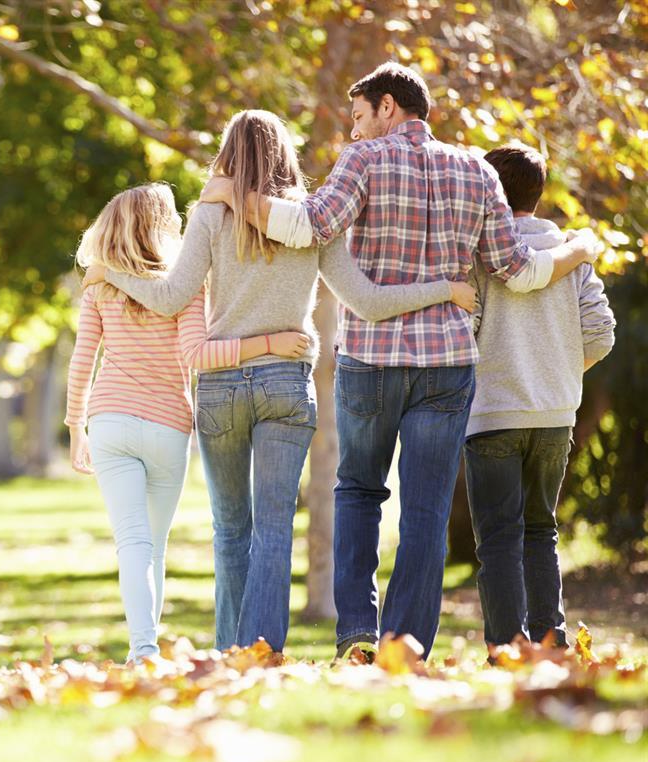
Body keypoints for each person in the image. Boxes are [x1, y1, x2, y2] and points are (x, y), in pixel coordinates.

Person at [199, 63, 602, 659]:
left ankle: (356, 635)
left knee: (359, 492)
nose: (357, 131)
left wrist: (237, 193)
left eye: (361, 116)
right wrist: (578, 248)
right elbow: (517, 271)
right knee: (427, 509)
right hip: (446, 365)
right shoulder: (476, 170)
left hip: (370, 358)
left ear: (389, 107)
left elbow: (306, 225)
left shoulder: (362, 162)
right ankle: (404, 645)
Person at [82, 111, 477, 653]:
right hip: (285, 386)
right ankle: (260, 653)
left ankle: (229, 655)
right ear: (286, 156)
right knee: (272, 531)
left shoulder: (211, 215)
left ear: (229, 156)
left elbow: (171, 298)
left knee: (230, 530)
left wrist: (111, 273)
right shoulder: (313, 223)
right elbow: (366, 302)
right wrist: (444, 289)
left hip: (220, 387)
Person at [65, 182, 311, 663]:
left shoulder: (98, 286)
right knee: (152, 545)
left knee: (133, 543)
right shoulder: (187, 287)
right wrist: (269, 343)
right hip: (167, 428)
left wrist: (77, 425)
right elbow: (199, 356)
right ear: (159, 230)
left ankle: (143, 651)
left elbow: (82, 360)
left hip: (110, 422)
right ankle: (143, 649)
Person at [464, 142, 615, 649]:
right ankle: (551, 640)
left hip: (492, 414)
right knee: (539, 531)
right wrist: (558, 374)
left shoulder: (479, 253)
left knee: (499, 538)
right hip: (554, 415)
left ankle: (507, 647)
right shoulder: (569, 252)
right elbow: (601, 333)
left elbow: (466, 328)